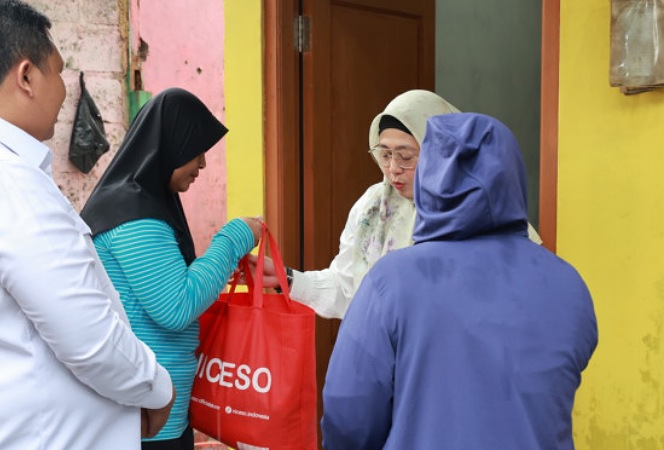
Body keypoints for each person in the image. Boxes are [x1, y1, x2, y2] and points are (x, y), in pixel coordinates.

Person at [0, 1, 174, 448]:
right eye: (58, 72)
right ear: (27, 76)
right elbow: (87, 337)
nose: (64, 90)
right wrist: (155, 388)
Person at [321, 113, 598, 449]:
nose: (395, 167)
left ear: (429, 178)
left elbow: (349, 411)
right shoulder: (567, 283)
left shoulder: (391, 281)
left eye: (408, 157)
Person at [249, 89, 541, 318]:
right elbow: (348, 288)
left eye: (406, 155)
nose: (393, 168)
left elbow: (521, 293)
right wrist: (287, 278)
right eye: (385, 153)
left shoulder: (480, 206)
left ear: (441, 151)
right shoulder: (374, 206)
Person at [80, 87, 263, 450]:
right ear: (171, 147)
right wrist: (236, 235)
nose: (203, 165)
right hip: (142, 425)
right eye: (196, 152)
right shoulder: (132, 214)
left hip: (155, 416)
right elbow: (176, 306)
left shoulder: (144, 205)